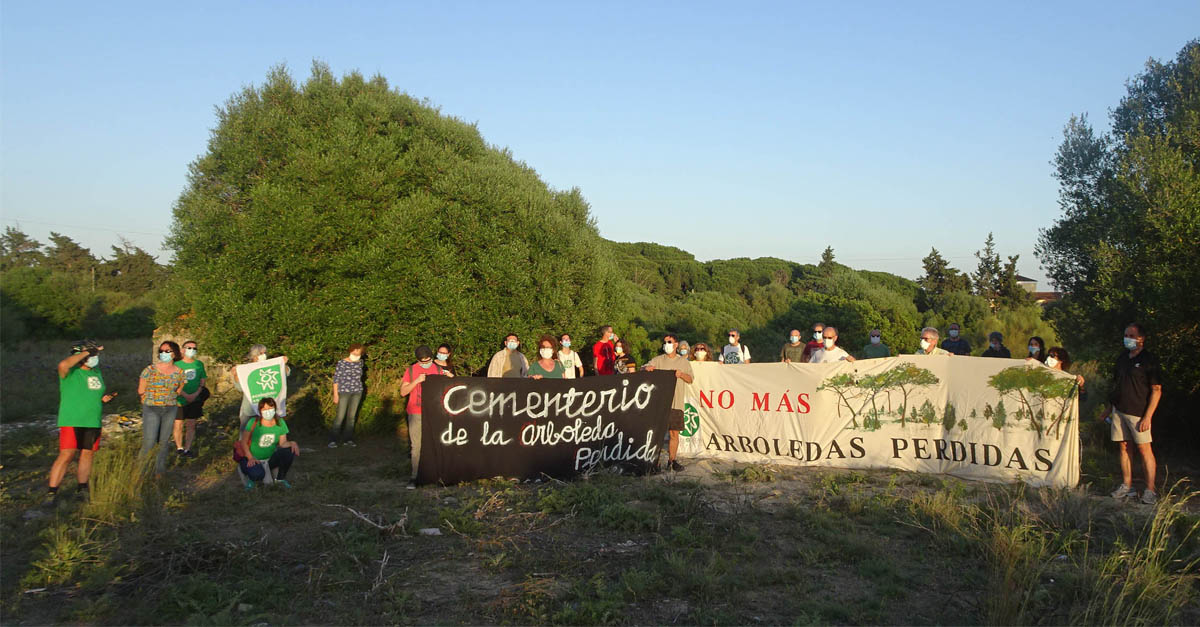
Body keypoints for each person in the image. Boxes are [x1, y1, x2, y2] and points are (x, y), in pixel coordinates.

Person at [46, 341, 117, 505]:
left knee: (87, 453)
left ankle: (82, 488)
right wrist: (86, 352)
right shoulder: (70, 372)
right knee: (67, 454)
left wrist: (103, 398)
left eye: (95, 355)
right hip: (72, 420)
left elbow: (90, 392)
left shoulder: (96, 371)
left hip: (92, 420)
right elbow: (62, 364)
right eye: (91, 355)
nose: (94, 358)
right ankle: (52, 491)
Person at [1099, 323, 1162, 505]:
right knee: (1124, 447)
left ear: (1141, 338)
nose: (1127, 338)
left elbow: (1156, 390)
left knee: (1144, 449)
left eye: (1131, 335)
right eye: (1126, 334)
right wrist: (1109, 409)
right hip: (1119, 410)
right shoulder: (1122, 359)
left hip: (1139, 413)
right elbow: (1116, 385)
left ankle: (1150, 490)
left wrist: (1148, 416)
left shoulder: (1149, 360)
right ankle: (1127, 486)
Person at [643, 334, 694, 472]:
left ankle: (672, 461)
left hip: (675, 403)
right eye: (665, 342)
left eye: (669, 342)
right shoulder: (658, 359)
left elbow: (690, 379)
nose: (666, 344)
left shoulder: (683, 362)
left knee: (674, 434)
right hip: (659, 403)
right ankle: (655, 463)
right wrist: (646, 369)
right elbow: (644, 367)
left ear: (676, 344)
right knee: (656, 434)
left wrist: (681, 375)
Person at [400, 345, 445, 487]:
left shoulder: (438, 369)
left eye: (428, 360)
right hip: (416, 411)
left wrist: (450, 377)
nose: (426, 364)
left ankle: (436, 474)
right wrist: (417, 381)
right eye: (422, 361)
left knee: (436, 443)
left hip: (434, 413)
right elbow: (403, 392)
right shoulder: (411, 370)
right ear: (417, 360)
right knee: (416, 445)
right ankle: (415, 476)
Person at [139, 341, 186, 474]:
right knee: (149, 441)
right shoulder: (150, 369)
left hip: (170, 408)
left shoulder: (180, 372)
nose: (164, 353)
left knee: (164, 442)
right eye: (161, 351)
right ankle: (142, 471)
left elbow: (179, 389)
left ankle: (159, 471)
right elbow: (141, 389)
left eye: (167, 351)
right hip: (152, 407)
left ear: (174, 353)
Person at [235, 397, 298, 489]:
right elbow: (244, 442)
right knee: (257, 474)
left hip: (269, 458)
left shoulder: (280, 422)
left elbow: (282, 443)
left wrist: (292, 443)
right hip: (253, 458)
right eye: (264, 409)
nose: (267, 411)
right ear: (260, 411)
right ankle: (250, 477)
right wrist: (250, 457)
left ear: (274, 409)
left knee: (289, 451)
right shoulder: (253, 422)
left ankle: (280, 479)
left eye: (270, 408)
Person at [173, 340, 209, 459]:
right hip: (179, 399)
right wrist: (184, 394)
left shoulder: (198, 364)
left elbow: (202, 380)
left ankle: (187, 449)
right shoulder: (177, 365)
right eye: (189, 348)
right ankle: (179, 448)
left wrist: (196, 393)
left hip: (195, 398)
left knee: (191, 424)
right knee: (178, 424)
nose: (192, 350)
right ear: (183, 350)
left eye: (194, 348)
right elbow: (174, 383)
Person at [329, 343, 365, 448]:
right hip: (344, 391)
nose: (355, 353)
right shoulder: (342, 363)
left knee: (351, 417)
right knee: (340, 416)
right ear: (350, 350)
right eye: (354, 350)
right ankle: (333, 440)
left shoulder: (361, 363)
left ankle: (348, 439)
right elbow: (336, 379)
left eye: (358, 351)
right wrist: (335, 394)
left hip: (357, 391)